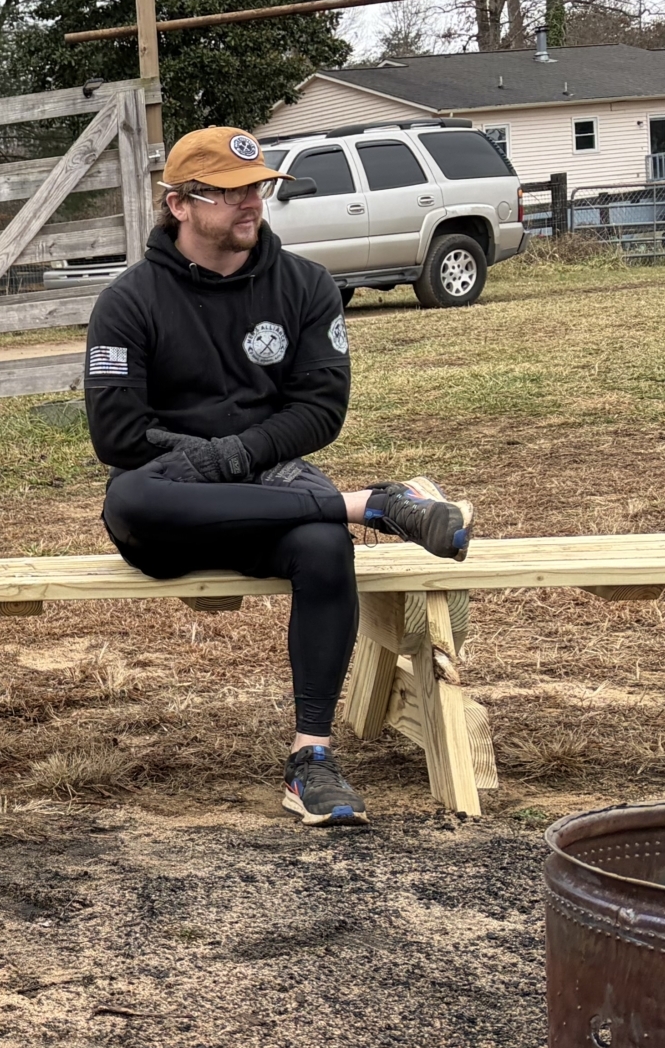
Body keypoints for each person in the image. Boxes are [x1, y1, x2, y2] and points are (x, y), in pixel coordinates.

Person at [83, 125, 474, 828]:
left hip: (272, 490)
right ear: (179, 203)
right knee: (132, 499)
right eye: (229, 192)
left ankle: (311, 759)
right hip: (174, 510)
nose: (252, 202)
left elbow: (320, 410)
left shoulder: (305, 285)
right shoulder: (128, 301)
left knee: (324, 547)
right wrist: (206, 466)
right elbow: (117, 436)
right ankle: (370, 504)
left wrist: (231, 458)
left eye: (258, 188)